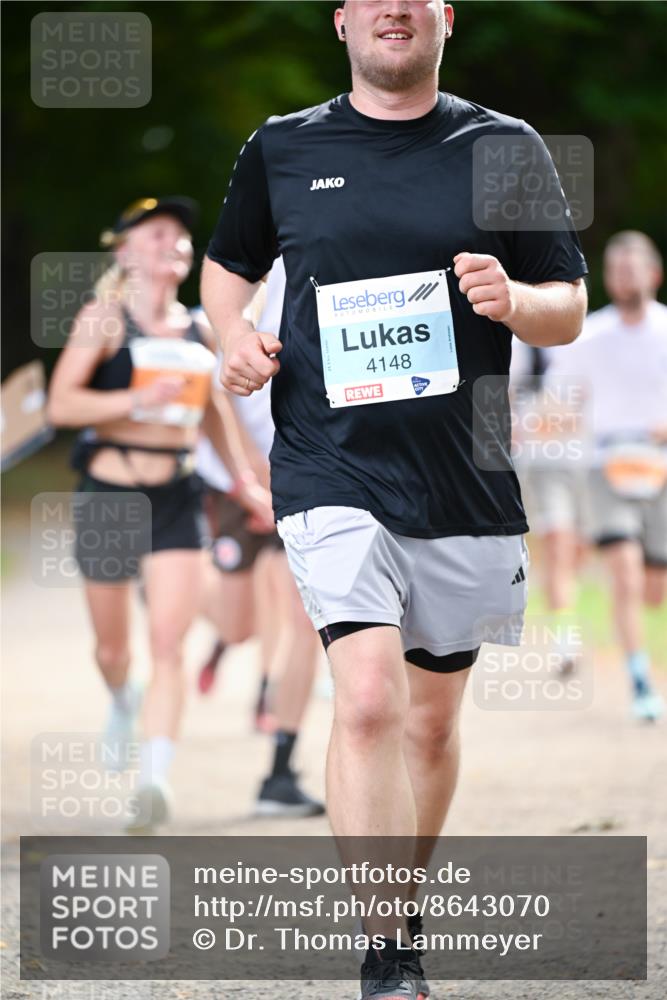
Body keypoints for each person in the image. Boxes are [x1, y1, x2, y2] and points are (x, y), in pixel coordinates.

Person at [201, 3, 588, 997]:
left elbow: (567, 307)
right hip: (330, 464)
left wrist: (515, 297)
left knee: (428, 724)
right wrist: (232, 338)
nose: (393, 12)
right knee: (369, 697)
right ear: (343, 21)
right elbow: (226, 271)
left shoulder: (503, 145)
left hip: (465, 473)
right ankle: (388, 953)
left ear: (442, 19)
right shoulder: (282, 147)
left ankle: (399, 909)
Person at [47, 196, 273, 832]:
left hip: (175, 497)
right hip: (110, 493)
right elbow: (62, 405)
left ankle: (155, 780)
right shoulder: (105, 318)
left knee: (169, 643)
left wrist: (249, 486)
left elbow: (215, 416)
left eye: (178, 236)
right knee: (114, 647)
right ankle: (122, 698)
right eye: (155, 234)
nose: (171, 243)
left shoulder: (202, 331)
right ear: (125, 252)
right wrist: (135, 398)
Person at [196, 260, 325, 816]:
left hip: (304, 477)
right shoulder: (231, 282)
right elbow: (208, 402)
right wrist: (248, 481)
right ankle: (173, 579)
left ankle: (279, 771)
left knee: (304, 616)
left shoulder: (331, 263)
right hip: (233, 483)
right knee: (240, 624)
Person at [547, 231, 667, 721]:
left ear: (654, 274)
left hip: (660, 464)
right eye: (615, 270)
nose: (623, 278)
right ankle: (640, 680)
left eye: (632, 269)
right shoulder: (589, 335)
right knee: (625, 572)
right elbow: (557, 398)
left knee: (653, 589)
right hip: (606, 464)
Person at [509, 337, 591, 674]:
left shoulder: (593, 336)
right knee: (557, 546)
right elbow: (499, 397)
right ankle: (565, 644)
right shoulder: (516, 338)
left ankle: (561, 614)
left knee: (576, 553)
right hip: (538, 463)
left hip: (588, 462)